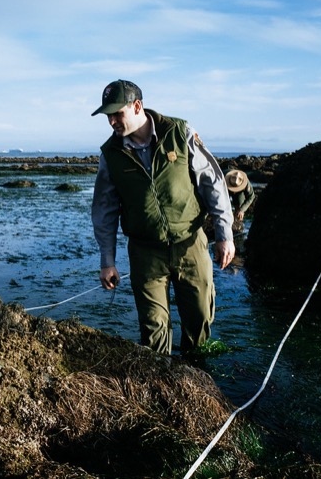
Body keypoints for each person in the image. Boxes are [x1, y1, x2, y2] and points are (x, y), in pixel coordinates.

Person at [90, 80, 235, 355]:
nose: (111, 122)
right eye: (107, 116)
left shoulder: (180, 133)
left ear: (136, 106)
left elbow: (213, 183)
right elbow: (104, 210)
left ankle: (197, 381)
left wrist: (224, 234)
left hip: (191, 244)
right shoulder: (111, 154)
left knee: (200, 318)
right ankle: (160, 383)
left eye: (116, 113)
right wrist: (107, 261)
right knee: (154, 328)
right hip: (145, 253)